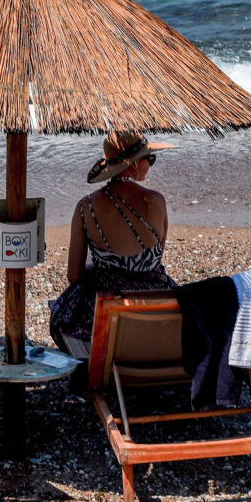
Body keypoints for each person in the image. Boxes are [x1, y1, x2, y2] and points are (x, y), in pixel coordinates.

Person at [49, 130, 178, 350]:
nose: (151, 164)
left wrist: (99, 268)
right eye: (150, 158)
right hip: (156, 308)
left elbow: (74, 276)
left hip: (107, 314)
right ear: (134, 164)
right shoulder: (156, 201)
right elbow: (154, 263)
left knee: (63, 313)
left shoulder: (86, 206)